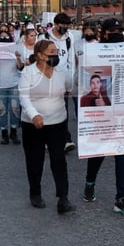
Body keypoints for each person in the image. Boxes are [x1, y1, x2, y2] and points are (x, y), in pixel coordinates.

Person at [80, 18, 124, 216]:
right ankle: (90, 182)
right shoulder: (92, 53)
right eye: (112, 31)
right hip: (102, 112)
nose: (117, 34)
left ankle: (121, 198)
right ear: (103, 34)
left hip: (123, 112)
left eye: (120, 31)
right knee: (99, 151)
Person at [45, 13, 76, 153]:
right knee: (49, 110)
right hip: (48, 79)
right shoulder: (45, 37)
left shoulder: (69, 38)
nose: (65, 28)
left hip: (63, 80)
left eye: (67, 26)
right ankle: (49, 138)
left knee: (63, 110)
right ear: (56, 24)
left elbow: (71, 61)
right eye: (62, 26)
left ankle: (66, 139)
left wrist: (70, 82)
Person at [0, 29, 22, 145]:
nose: (4, 39)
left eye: (6, 37)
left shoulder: (15, 50)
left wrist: (18, 58)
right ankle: (4, 133)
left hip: (13, 84)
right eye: (2, 37)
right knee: (2, 110)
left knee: (15, 109)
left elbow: (20, 67)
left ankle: (13, 131)